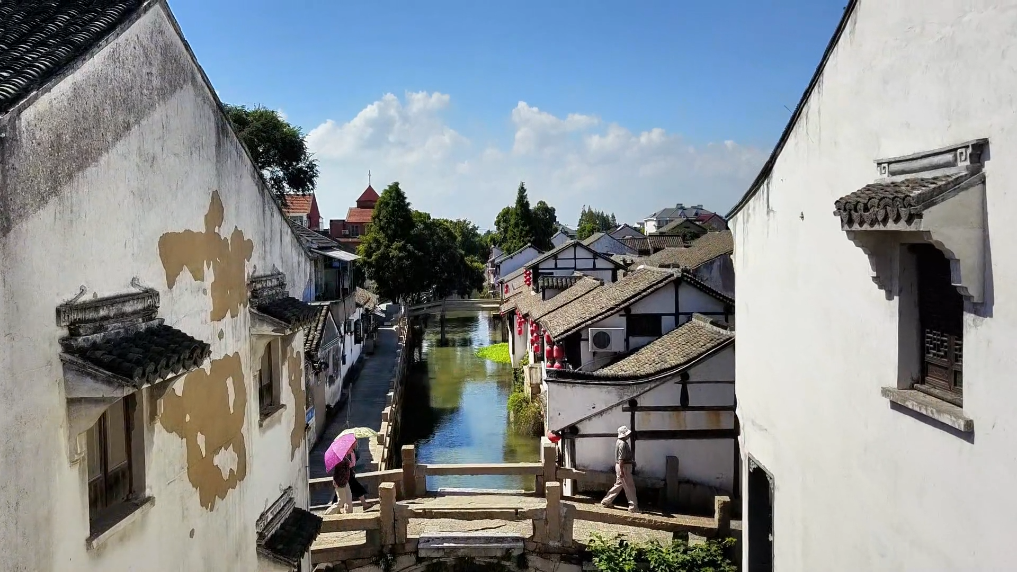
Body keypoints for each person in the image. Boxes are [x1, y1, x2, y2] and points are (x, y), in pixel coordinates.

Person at [600, 425, 639, 513]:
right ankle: (633, 507)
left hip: (621, 466)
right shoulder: (623, 444)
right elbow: (621, 459)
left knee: (618, 485)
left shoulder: (619, 442)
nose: (628, 435)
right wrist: (622, 471)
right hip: (624, 467)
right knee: (630, 487)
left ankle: (606, 501)